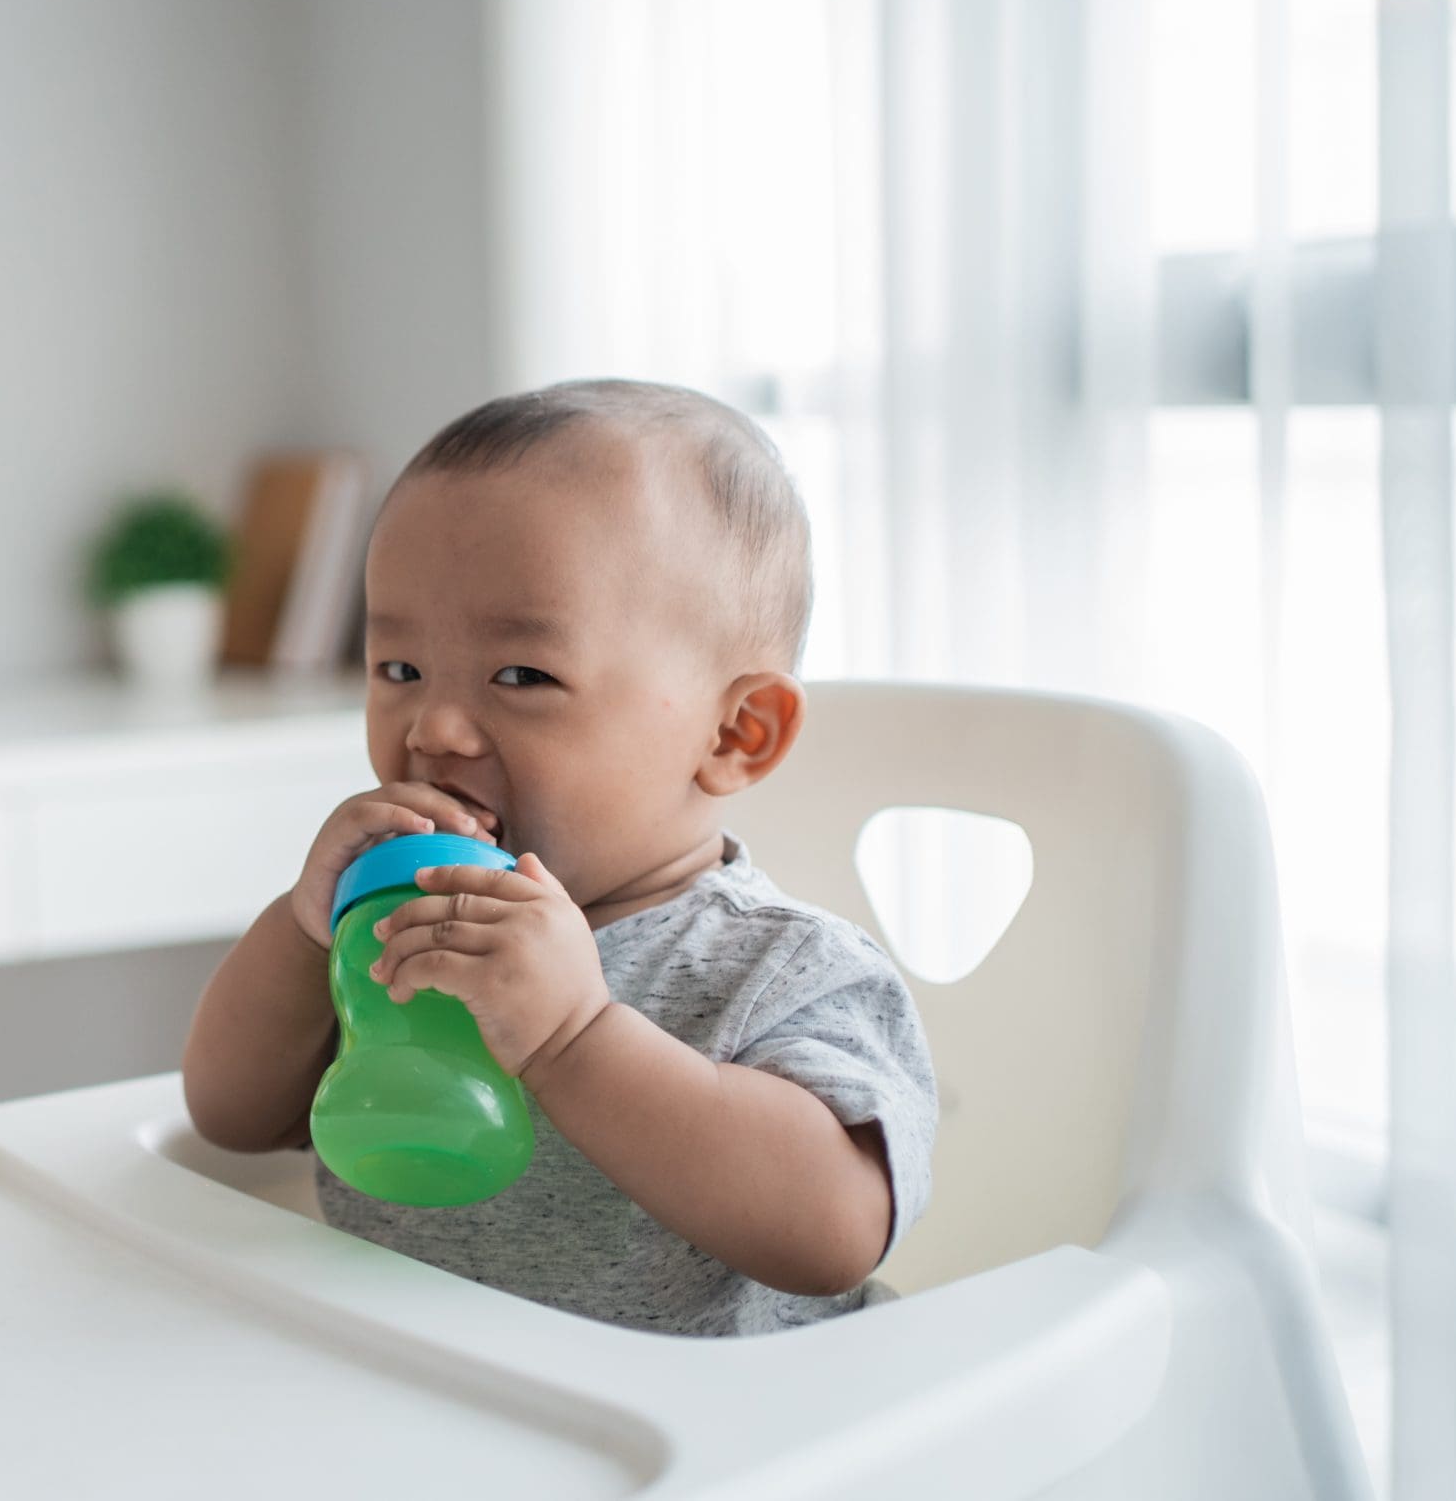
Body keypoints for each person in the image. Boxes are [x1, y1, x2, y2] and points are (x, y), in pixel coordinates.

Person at [182, 380, 936, 1337]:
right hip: (420, 1399)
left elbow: (833, 1230)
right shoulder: (397, 929)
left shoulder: (782, 969)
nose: (437, 726)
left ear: (736, 732)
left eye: (523, 675)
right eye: (400, 670)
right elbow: (230, 1115)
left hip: (704, 1451)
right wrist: (302, 929)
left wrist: (575, 1038)